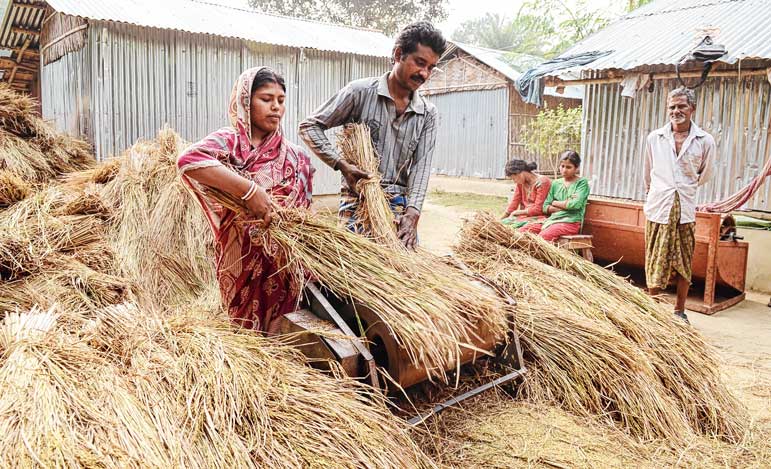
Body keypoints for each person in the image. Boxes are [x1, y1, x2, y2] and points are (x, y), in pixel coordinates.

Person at [177, 67, 314, 333]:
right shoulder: (229, 143)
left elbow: (306, 210)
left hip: (282, 262)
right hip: (240, 259)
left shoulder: (297, 157)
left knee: (283, 332)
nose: (275, 107)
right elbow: (188, 161)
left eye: (281, 100)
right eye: (266, 99)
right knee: (244, 333)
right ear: (245, 102)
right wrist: (250, 192)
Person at [299, 21, 446, 249]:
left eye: (431, 67)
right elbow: (309, 127)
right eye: (420, 63)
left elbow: (421, 167)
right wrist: (341, 164)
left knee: (401, 278)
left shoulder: (428, 114)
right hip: (358, 202)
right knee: (350, 276)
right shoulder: (359, 93)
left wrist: (413, 212)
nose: (424, 73)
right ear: (398, 54)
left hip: (398, 206)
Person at [644, 86, 715, 324]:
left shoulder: (705, 141)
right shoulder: (655, 138)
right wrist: (659, 191)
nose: (676, 111)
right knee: (655, 257)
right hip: (659, 207)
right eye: (672, 106)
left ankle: (679, 310)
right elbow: (649, 172)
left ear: (692, 108)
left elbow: (704, 175)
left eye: (682, 106)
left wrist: (683, 187)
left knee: (684, 259)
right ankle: (653, 310)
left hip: (685, 207)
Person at [525, 151, 590, 242]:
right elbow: (545, 207)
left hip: (570, 222)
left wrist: (554, 202)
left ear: (576, 168)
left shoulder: (582, 183)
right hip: (552, 220)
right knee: (525, 230)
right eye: (562, 166)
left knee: (542, 237)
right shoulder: (556, 183)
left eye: (568, 167)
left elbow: (575, 205)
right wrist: (565, 205)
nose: (564, 170)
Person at [501, 159, 551, 230]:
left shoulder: (542, 182)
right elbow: (514, 202)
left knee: (515, 230)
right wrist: (499, 220)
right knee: (502, 225)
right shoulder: (521, 183)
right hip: (524, 217)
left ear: (520, 173)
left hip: (540, 218)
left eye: (513, 178)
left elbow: (538, 209)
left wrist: (518, 212)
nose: (514, 181)